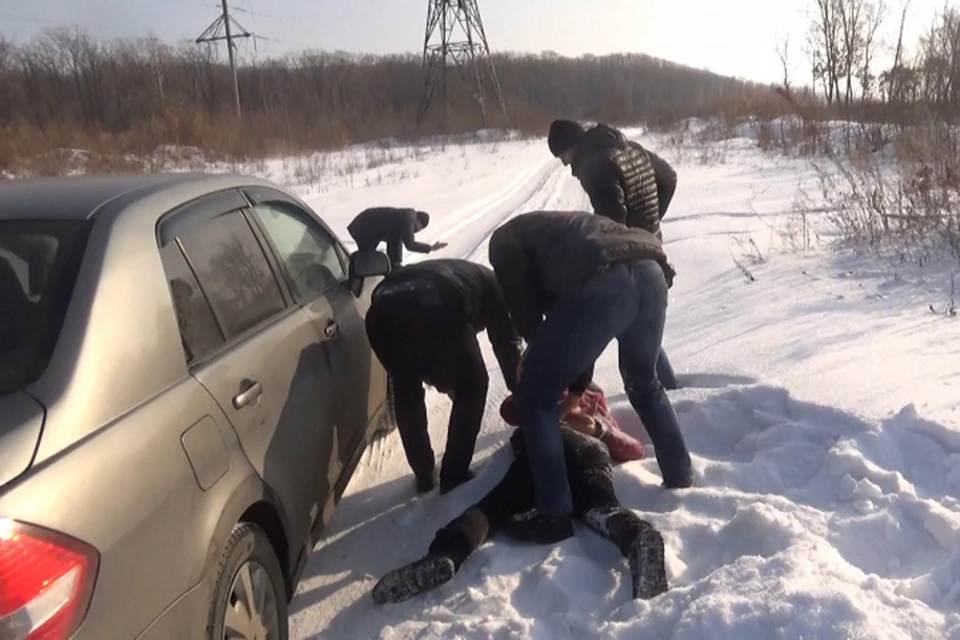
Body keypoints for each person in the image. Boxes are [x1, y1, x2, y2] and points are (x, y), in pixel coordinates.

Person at [487, 210, 693, 544]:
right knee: (644, 383)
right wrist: (575, 391)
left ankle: (553, 513)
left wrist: (534, 347)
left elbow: (528, 308)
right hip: (651, 272)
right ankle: (680, 476)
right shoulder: (560, 236)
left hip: (607, 279)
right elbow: (573, 323)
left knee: (535, 396)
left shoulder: (503, 243)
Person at [370, 394, 669, 605]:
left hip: (552, 452)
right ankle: (637, 538)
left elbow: (513, 409)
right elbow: (633, 450)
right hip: (584, 454)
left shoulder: (589, 413)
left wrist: (590, 423)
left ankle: (446, 554)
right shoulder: (553, 403)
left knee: (491, 509)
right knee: (601, 508)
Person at [365, 258, 523, 494]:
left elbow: (431, 348)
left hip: (381, 313)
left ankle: (423, 472)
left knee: (406, 388)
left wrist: (442, 376)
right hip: (437, 301)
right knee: (474, 385)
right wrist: (521, 393)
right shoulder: (496, 288)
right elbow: (507, 346)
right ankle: (454, 473)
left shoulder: (471, 275)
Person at [547, 119, 681, 389]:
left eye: (562, 155)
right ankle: (671, 391)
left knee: (634, 348)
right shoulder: (630, 147)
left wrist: (614, 245)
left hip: (630, 257)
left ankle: (669, 401)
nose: (564, 164)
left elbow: (611, 221)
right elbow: (668, 178)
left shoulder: (593, 163)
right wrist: (651, 221)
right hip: (650, 245)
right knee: (641, 327)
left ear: (570, 146)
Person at [346, 206, 447, 267]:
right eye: (420, 229)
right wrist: (431, 248)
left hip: (363, 224)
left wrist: (396, 264)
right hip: (363, 227)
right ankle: (347, 271)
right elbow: (410, 245)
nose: (416, 232)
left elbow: (396, 241)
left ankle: (348, 268)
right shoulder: (407, 221)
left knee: (368, 261)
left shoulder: (402, 219)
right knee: (366, 261)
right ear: (419, 222)